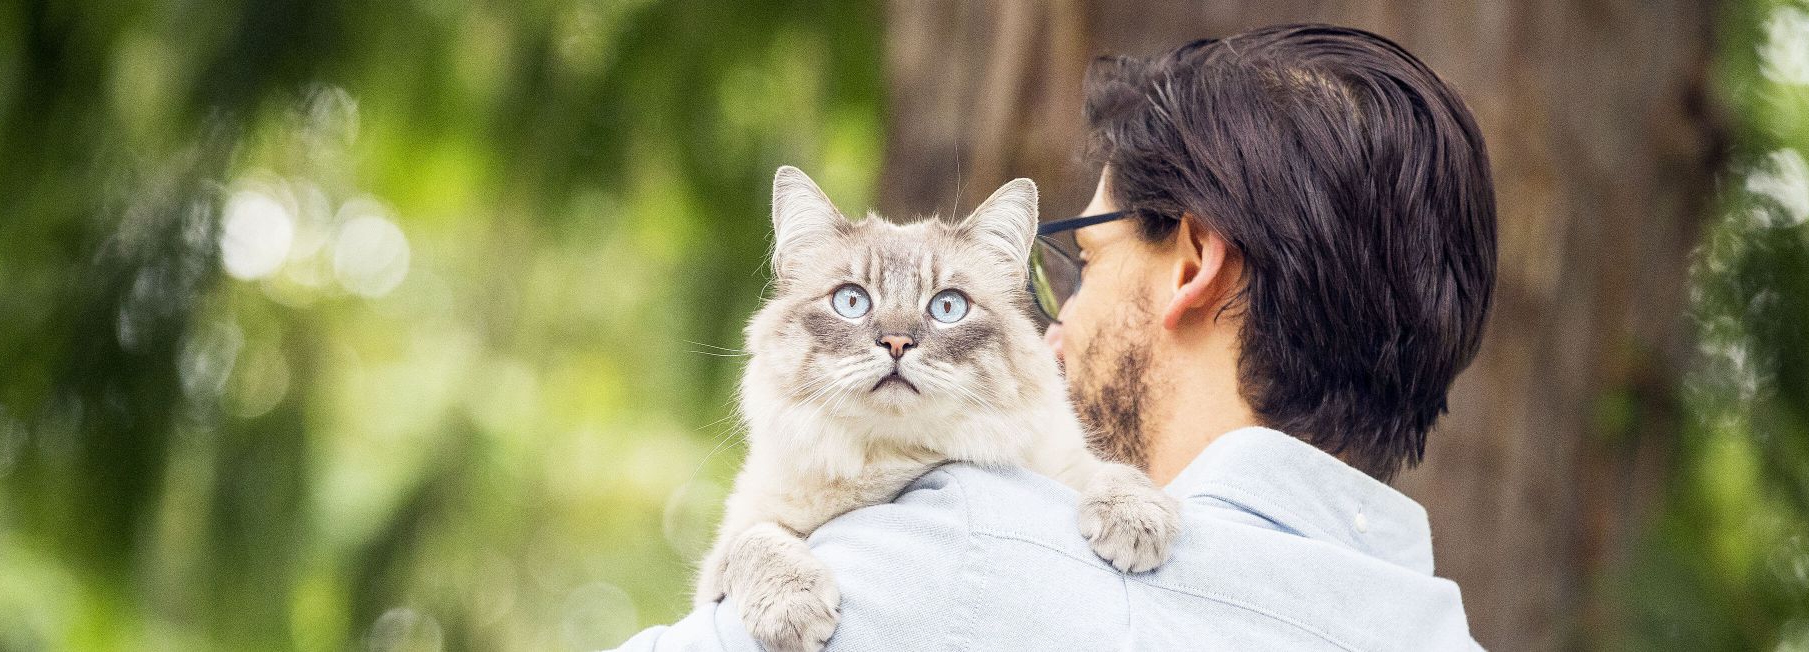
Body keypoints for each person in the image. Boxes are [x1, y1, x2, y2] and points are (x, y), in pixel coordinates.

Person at [618, 23, 1495, 651]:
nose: (1054, 333)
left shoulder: (949, 552)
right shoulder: (1443, 630)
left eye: (1082, 263)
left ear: (1192, 265)